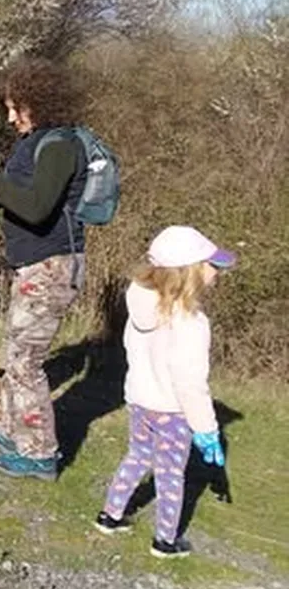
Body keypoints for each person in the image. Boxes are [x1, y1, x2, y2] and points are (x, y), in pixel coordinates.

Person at [0, 57, 89, 480]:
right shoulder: (34, 141)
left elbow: (35, 208)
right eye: (8, 109)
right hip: (32, 265)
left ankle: (40, 454)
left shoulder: (60, 146)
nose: (11, 118)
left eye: (18, 108)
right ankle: (11, 430)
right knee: (14, 351)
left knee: (26, 361)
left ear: (42, 102)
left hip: (52, 266)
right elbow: (14, 194)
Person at [95, 226, 233, 559]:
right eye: (212, 265)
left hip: (139, 400)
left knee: (138, 456)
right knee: (171, 474)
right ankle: (165, 540)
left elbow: (134, 351)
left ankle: (110, 516)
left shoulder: (141, 308)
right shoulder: (191, 323)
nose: (218, 272)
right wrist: (207, 430)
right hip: (172, 410)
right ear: (189, 272)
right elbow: (190, 384)